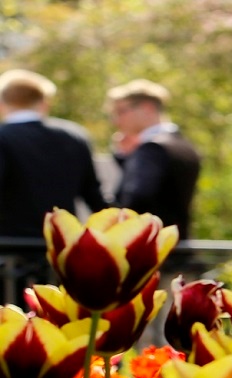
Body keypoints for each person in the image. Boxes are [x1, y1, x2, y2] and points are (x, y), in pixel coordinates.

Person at [0, 70, 106, 285]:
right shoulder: (75, 136)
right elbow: (94, 196)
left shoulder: (3, 137)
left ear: (3, 103)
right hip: (60, 252)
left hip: (10, 254)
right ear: (45, 102)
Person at [106, 79, 200, 243]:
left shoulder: (151, 149)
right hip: (178, 243)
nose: (116, 120)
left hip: (150, 246)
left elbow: (136, 200)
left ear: (147, 107)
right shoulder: (184, 145)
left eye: (121, 111)